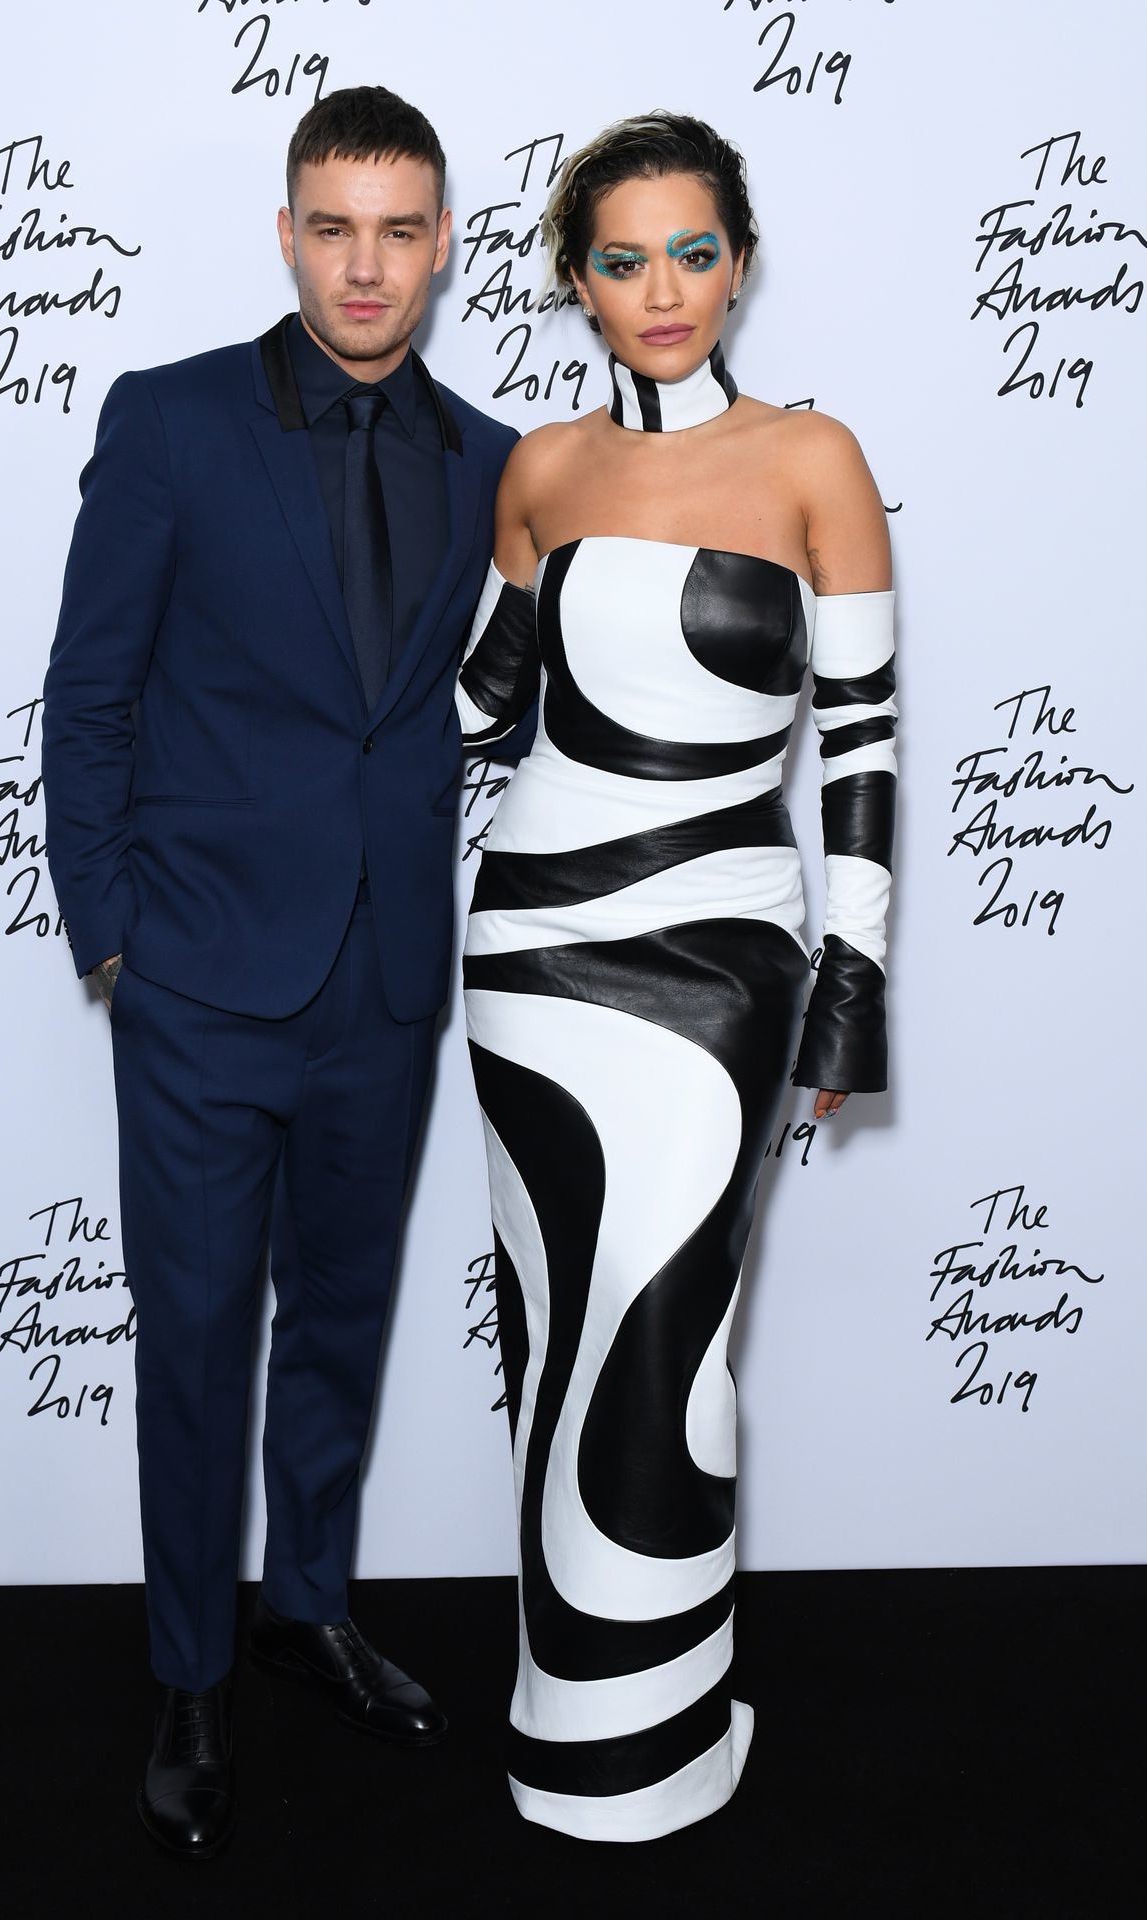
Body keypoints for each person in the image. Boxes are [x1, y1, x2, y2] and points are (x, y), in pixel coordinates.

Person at [41, 86, 517, 1860]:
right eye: (332, 227)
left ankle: (304, 1605)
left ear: (443, 243)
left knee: (340, 1317)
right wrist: (111, 931)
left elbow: (484, 700)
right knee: (193, 1343)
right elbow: (90, 690)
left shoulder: (493, 461)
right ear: (287, 234)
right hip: (197, 978)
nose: (363, 265)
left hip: (385, 976)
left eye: (397, 229)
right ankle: (189, 1671)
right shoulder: (169, 421)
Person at [455, 110, 897, 1841]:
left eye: (692, 254)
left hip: (719, 954)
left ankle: (656, 1735)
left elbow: (860, 743)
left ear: (740, 263)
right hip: (528, 949)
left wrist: (849, 983)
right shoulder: (539, 472)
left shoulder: (812, 458)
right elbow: (474, 714)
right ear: (578, 280)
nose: (661, 291)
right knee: (556, 1340)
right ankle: (572, 1731)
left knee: (667, 1345)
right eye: (624, 259)